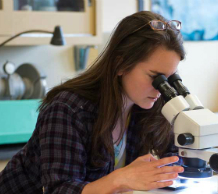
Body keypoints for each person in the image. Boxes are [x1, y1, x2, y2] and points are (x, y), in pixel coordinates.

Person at [0, 11, 186, 194]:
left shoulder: (147, 103)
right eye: (155, 77)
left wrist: (174, 165)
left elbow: (174, 152)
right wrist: (121, 179)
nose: (161, 89)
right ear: (120, 65)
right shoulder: (68, 110)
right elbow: (59, 189)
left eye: (169, 79)